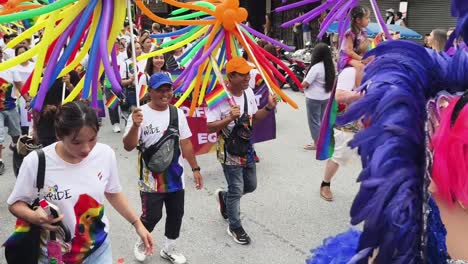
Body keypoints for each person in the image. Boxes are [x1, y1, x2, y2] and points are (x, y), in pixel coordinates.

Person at [7, 101, 154, 263]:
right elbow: (15, 204)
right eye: (76, 142)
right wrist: (34, 216)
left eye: (92, 139)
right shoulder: (36, 162)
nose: (86, 148)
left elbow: (113, 191)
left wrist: (137, 224)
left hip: (98, 249)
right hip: (56, 255)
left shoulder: (105, 154)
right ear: (59, 135)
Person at [123, 73, 203, 263]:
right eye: (160, 90)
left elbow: (186, 143)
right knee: (152, 216)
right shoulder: (139, 114)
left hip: (176, 178)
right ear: (150, 91)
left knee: (176, 215)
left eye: (169, 89)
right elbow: (128, 145)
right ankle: (142, 240)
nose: (165, 93)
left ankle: (169, 248)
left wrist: (195, 168)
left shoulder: (177, 113)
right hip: (151, 180)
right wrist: (135, 126)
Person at [206, 57, 278, 245]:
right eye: (243, 75)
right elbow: (210, 126)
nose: (248, 78)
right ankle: (235, 225)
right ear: (230, 76)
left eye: (248, 74)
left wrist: (269, 107)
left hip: (246, 147)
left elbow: (255, 118)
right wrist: (228, 117)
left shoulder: (248, 93)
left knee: (251, 185)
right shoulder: (218, 97)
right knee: (237, 188)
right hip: (228, 150)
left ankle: (225, 197)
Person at [319, 39, 369, 201]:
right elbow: (339, 96)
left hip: (367, 123)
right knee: (340, 155)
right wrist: (361, 96)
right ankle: (325, 184)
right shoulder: (349, 72)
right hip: (348, 124)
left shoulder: (369, 71)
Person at [301, 43, 336, 151]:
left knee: (314, 122)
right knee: (322, 121)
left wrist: (302, 85)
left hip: (313, 98)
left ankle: (317, 143)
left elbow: (305, 83)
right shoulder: (330, 67)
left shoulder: (316, 67)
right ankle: (324, 141)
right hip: (326, 97)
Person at [338, 6, 373, 87]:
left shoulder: (363, 32)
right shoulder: (350, 33)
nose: (369, 20)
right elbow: (349, 51)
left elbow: (366, 44)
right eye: (367, 18)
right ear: (358, 20)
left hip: (356, 56)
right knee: (360, 66)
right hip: (346, 57)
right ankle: (359, 89)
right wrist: (362, 59)